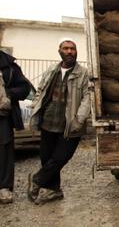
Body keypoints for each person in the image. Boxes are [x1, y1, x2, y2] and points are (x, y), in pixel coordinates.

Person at [28, 38, 90, 205]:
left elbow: (87, 98)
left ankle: (37, 180)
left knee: (62, 156)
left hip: (70, 124)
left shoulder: (83, 73)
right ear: (60, 51)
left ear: (76, 52)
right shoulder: (52, 70)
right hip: (48, 121)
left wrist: (79, 119)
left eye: (73, 49)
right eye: (66, 48)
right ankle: (54, 190)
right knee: (47, 158)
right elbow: (41, 89)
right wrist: (35, 105)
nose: (69, 51)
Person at [0, 51, 31, 204]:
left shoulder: (10, 67)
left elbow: (25, 89)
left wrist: (7, 93)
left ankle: (4, 188)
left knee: (4, 151)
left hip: (2, 116)